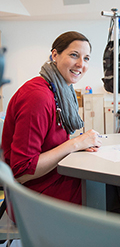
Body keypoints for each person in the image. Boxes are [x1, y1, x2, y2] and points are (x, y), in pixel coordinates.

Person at [2, 31, 102, 206]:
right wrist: (75, 144)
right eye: (74, 55)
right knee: (110, 193)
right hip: (32, 195)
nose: (81, 64)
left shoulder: (60, 91)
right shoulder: (38, 96)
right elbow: (22, 172)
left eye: (86, 58)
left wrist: (76, 145)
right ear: (55, 55)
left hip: (50, 178)